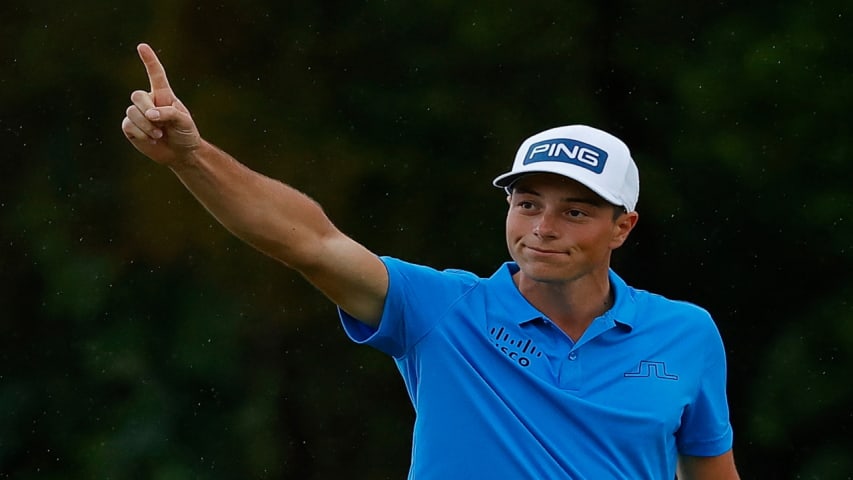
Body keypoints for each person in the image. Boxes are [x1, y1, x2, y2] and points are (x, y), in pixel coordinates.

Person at [121, 43, 740, 479]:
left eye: (575, 212)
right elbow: (307, 241)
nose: (543, 229)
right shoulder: (442, 309)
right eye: (528, 204)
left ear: (622, 227)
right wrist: (191, 158)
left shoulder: (685, 334)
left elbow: (711, 472)